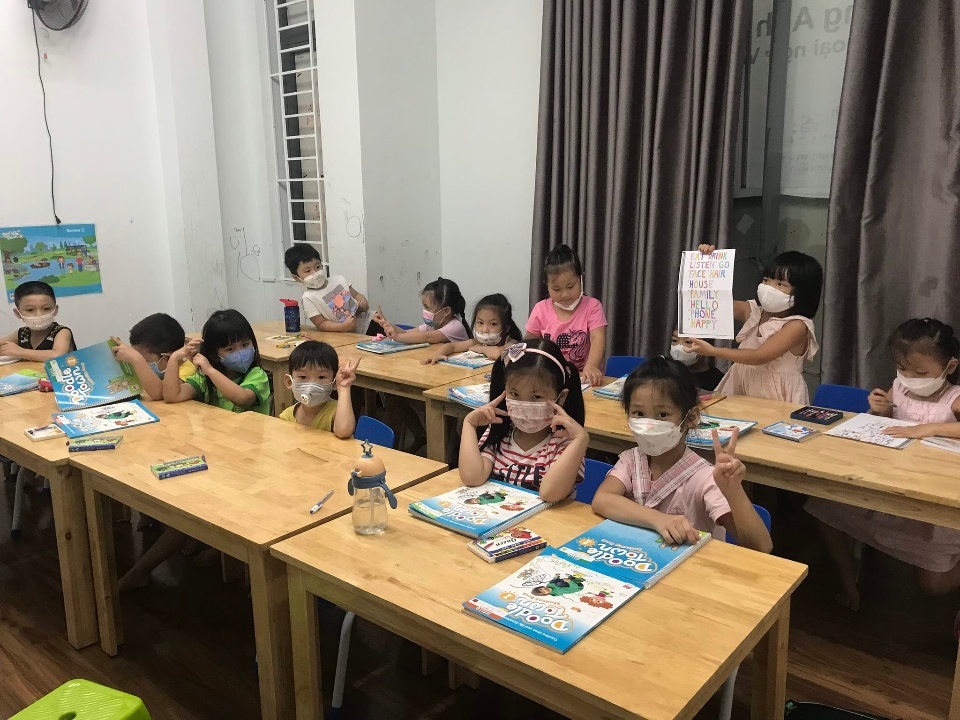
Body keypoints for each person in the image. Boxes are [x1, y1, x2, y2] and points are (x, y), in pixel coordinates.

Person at [807, 318, 960, 614]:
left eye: (920, 372)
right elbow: (884, 419)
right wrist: (881, 409)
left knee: (933, 585)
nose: (909, 378)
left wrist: (929, 429)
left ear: (950, 367)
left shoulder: (953, 398)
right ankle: (848, 574)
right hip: (888, 481)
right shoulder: (899, 388)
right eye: (902, 369)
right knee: (824, 508)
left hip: (928, 496)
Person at [592, 356, 772, 552]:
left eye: (662, 414)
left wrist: (734, 491)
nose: (649, 424)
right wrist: (658, 519)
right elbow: (602, 499)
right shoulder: (631, 460)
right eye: (639, 413)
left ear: (691, 417)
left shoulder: (707, 478)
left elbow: (760, 546)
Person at [683, 245, 822, 404]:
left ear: (803, 292)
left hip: (778, 395)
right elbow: (710, 302)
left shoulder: (798, 325)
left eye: (780, 284)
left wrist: (713, 351)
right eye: (766, 280)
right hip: (741, 386)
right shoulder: (753, 311)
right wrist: (708, 263)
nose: (768, 287)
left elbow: (759, 356)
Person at [458, 338, 588, 503]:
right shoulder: (500, 432)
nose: (524, 404)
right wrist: (469, 424)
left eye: (536, 397)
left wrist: (581, 439)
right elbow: (472, 477)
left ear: (560, 397)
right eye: (514, 394)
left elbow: (549, 494)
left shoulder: (565, 443)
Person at [525, 244, 608, 387]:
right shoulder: (540, 309)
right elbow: (529, 343)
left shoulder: (592, 306)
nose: (565, 294)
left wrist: (592, 366)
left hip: (584, 377)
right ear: (547, 286)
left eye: (570, 286)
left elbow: (598, 338)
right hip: (550, 377)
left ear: (581, 279)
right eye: (556, 289)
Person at [162, 309, 271, 414]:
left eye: (245, 344)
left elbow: (242, 398)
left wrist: (210, 370)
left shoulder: (258, 375)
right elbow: (172, 396)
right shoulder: (204, 379)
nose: (240, 353)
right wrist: (174, 359)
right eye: (230, 349)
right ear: (214, 355)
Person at [279, 340, 359, 438]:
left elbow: (344, 431)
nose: (311, 385)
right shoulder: (287, 416)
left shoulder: (336, 412)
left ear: (334, 383)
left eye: (321, 377)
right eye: (303, 377)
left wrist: (343, 388)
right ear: (289, 382)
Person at [110, 313, 197, 402]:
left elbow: (159, 394)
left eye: (145, 360)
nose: (142, 363)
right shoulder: (159, 365)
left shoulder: (188, 369)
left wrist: (137, 360)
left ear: (167, 358)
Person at [284, 244, 369, 333]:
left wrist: (363, 303)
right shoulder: (308, 298)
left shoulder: (338, 279)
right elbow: (321, 324)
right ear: (296, 278)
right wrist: (343, 327)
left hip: (369, 321)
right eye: (308, 271)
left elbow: (357, 295)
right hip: (351, 335)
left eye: (318, 267)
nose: (315, 273)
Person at [421, 293, 523, 364]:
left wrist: (481, 349)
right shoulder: (477, 341)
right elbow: (452, 346)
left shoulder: (511, 342)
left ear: (506, 327)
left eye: (493, 324)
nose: (485, 329)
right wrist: (437, 354)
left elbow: (497, 354)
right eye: (480, 323)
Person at [373, 277, 470, 345]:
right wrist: (386, 323)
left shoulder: (455, 327)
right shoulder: (432, 325)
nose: (425, 311)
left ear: (446, 311)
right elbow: (406, 334)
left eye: (427, 307)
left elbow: (427, 337)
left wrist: (396, 337)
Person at [0, 280, 76, 362]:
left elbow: (57, 355)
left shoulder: (62, 332)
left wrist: (19, 352)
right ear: (18, 313)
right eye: (30, 310)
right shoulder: (23, 333)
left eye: (46, 308)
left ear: (55, 310)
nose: (39, 314)